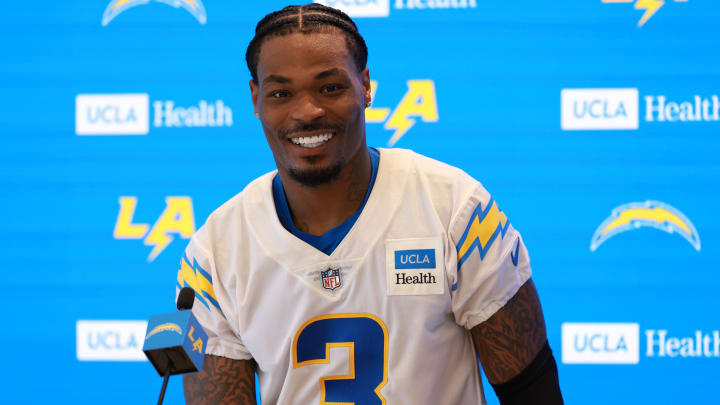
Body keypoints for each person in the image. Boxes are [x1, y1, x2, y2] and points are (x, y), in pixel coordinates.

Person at [178, 3, 563, 404]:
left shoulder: (454, 207)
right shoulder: (214, 252)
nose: (307, 111)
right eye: (281, 93)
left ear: (365, 85)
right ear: (256, 98)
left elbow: (531, 390)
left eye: (330, 88)